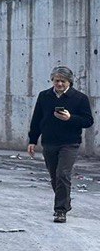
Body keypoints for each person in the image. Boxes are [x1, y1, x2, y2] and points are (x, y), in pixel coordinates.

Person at [27, 65, 94, 223]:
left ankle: (60, 211)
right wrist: (32, 140)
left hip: (70, 143)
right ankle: (65, 201)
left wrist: (70, 118)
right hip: (49, 142)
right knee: (54, 177)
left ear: (69, 82)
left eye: (62, 81)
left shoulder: (79, 98)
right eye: (56, 81)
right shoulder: (44, 96)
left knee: (63, 174)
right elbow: (36, 119)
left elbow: (88, 121)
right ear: (52, 81)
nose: (59, 84)